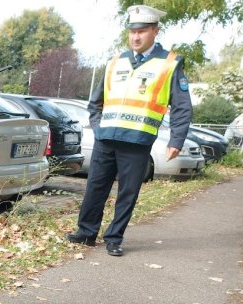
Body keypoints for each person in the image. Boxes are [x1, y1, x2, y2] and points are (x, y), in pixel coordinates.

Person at [66, 5, 192, 257]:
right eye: (132, 31)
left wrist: (176, 139)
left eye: (142, 31)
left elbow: (181, 107)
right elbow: (96, 102)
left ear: (155, 31)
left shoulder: (169, 64)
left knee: (127, 192)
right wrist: (99, 127)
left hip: (137, 141)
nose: (136, 37)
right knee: (95, 188)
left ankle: (114, 237)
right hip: (106, 138)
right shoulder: (116, 61)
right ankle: (86, 233)